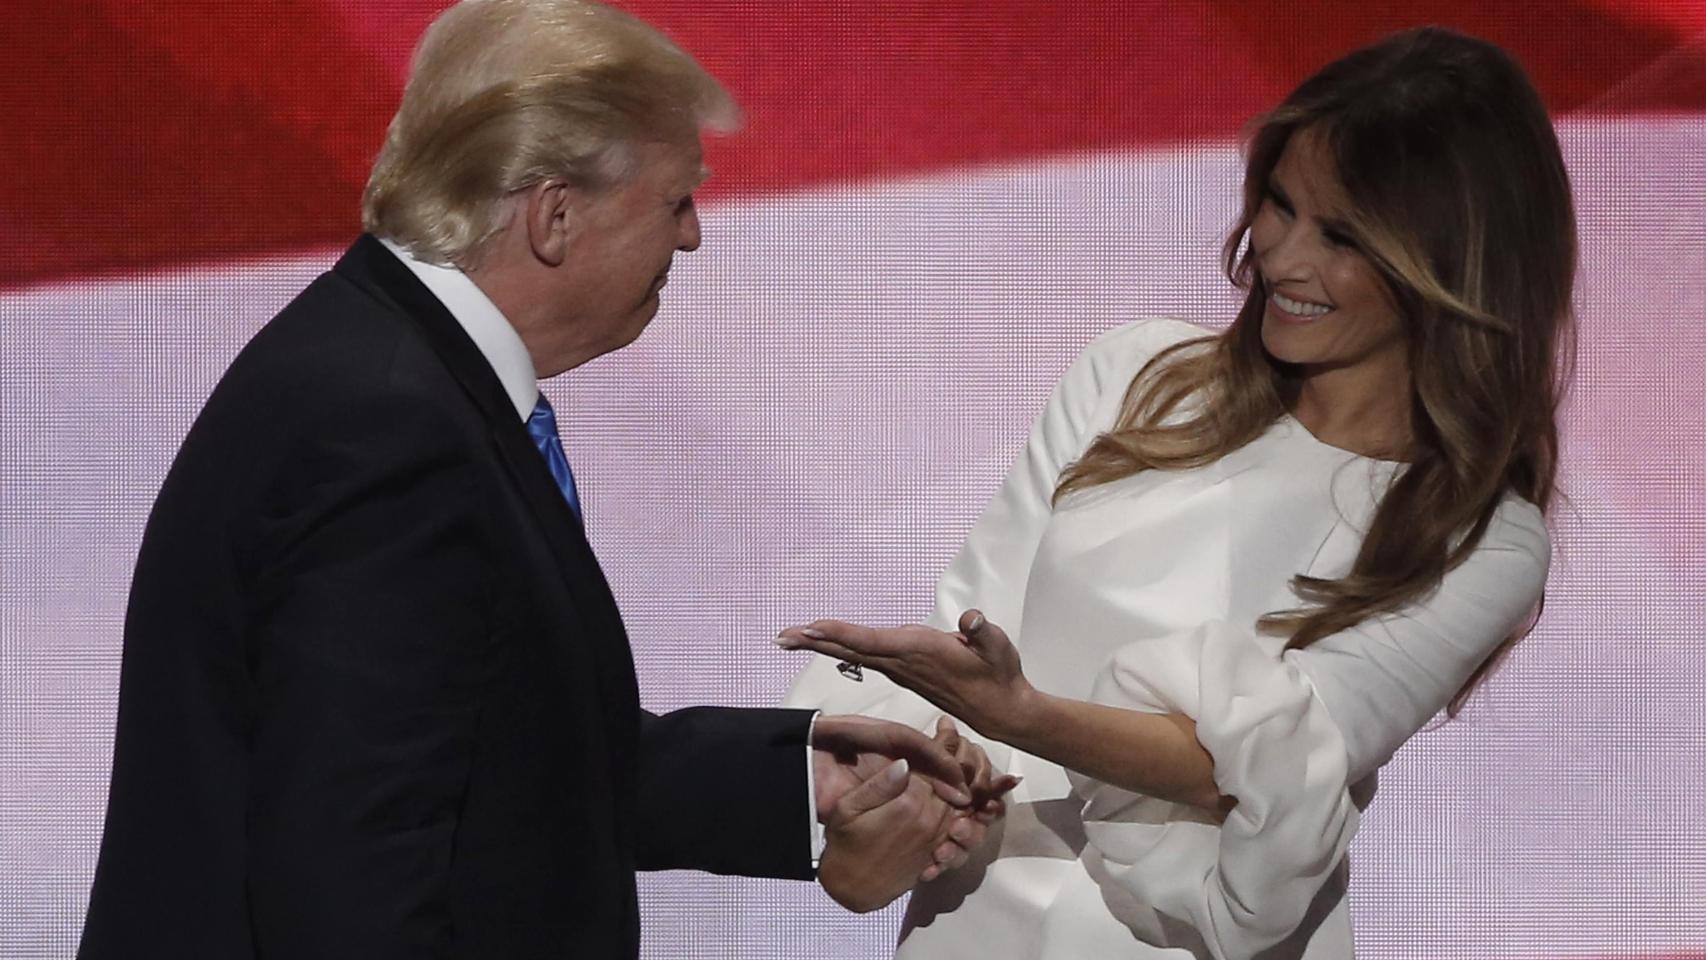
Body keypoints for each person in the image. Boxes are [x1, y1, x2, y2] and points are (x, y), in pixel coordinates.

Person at [76, 2, 1011, 957]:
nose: (690, 239)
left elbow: (493, 756)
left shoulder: (390, 369)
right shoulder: (390, 429)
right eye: (674, 201)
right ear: (556, 216)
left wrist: (797, 782)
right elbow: (354, 874)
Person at [780, 26, 1573, 959]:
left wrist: (1025, 716)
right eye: (1279, 204)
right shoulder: (1140, 373)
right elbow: (971, 631)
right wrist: (893, 805)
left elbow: (1276, 764)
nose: (1281, 258)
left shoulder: (1479, 537)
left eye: (1343, 236)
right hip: (973, 921)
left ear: (1449, 267)